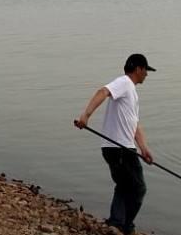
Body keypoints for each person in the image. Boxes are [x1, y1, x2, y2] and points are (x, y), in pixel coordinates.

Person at [73, 53, 158, 235]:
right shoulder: (125, 83)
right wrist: (86, 116)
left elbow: (134, 124)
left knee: (124, 185)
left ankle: (118, 224)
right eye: (146, 70)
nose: (147, 75)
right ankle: (122, 225)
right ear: (138, 69)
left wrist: (144, 149)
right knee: (138, 187)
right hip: (120, 147)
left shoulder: (132, 93)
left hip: (115, 147)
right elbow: (102, 92)